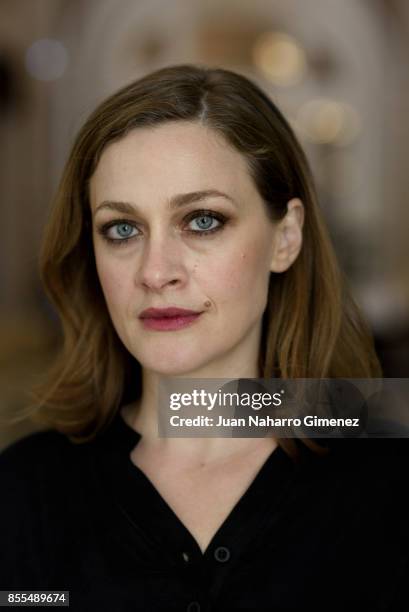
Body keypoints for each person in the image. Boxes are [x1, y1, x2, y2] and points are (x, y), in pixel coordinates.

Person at [0, 64, 407, 612]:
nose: (155, 271)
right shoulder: (24, 494)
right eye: (122, 229)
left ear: (285, 237)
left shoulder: (388, 484)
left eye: (202, 221)